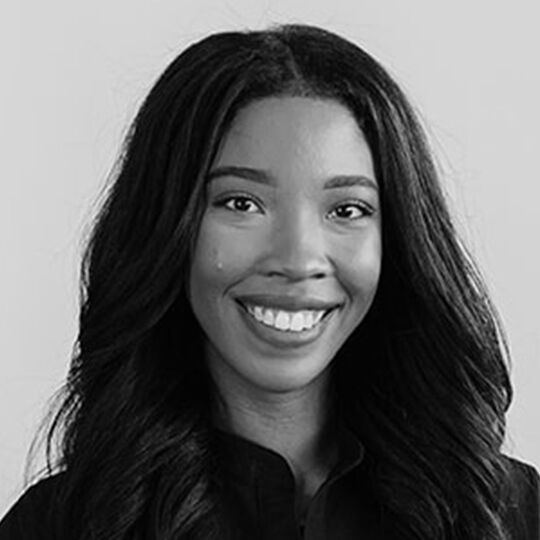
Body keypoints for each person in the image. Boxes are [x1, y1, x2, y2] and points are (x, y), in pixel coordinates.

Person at [0, 23, 538, 540]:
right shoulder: (60, 524)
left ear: (397, 238)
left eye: (347, 209)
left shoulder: (506, 513)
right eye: (241, 203)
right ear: (167, 228)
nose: (298, 259)